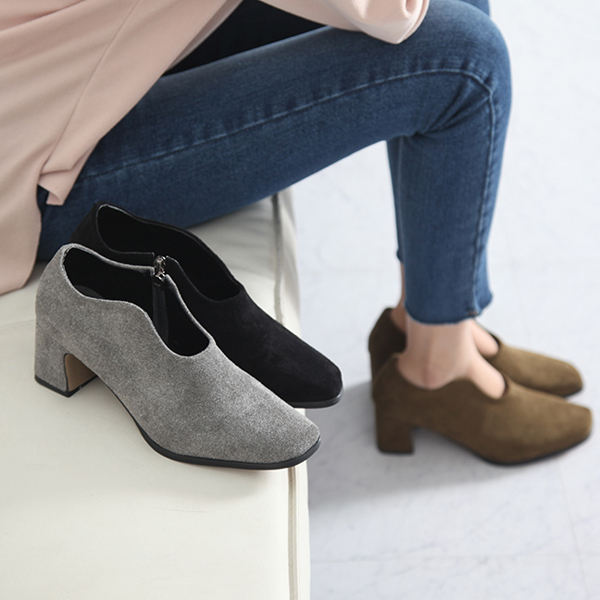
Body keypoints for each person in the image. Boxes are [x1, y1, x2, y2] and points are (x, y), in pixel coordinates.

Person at [0, 0, 591, 462]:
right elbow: (390, 12)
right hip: (40, 162)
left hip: (88, 65)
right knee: (464, 59)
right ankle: (438, 372)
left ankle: (437, 326)